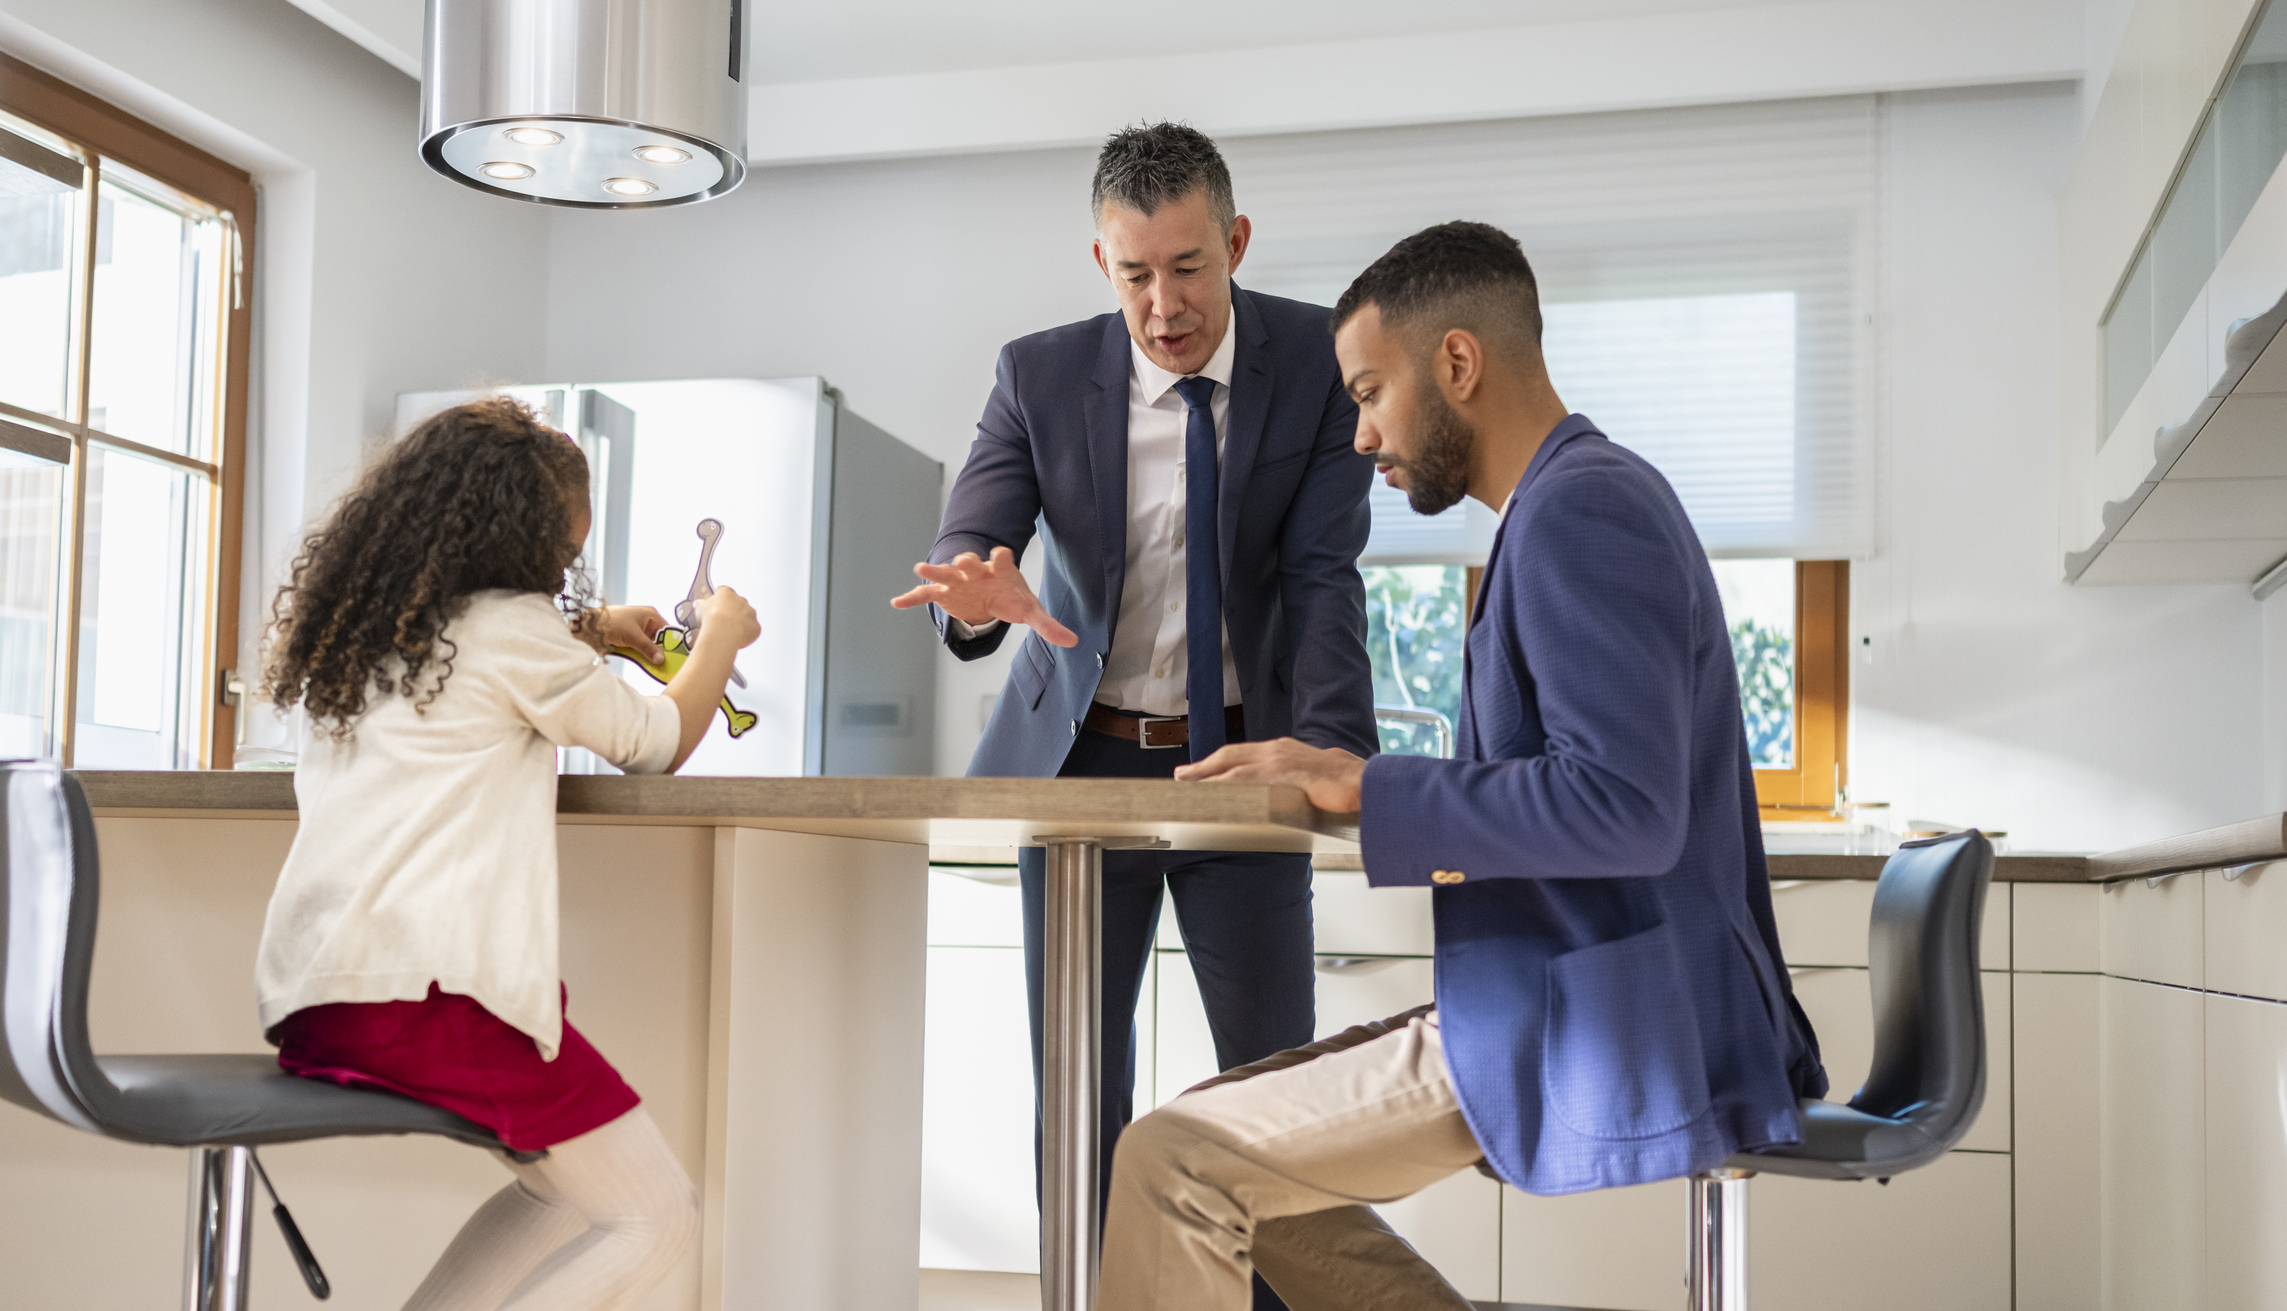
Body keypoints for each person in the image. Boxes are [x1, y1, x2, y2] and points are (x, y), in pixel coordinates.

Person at [1097, 222, 1828, 1309]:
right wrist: (1360, 788)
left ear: (1455, 363)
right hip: (1568, 992)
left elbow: (1624, 807)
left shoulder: (1581, 510)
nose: (1358, 434)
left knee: (1173, 1157)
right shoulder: (1564, 506)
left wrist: (1369, 783)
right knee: (1211, 1141)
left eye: (1369, 391)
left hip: (1607, 1012)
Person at [889, 122, 1376, 1299]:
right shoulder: (1041, 373)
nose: (1164, 305)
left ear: (1236, 242)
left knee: (1273, 1095)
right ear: (1101, 264)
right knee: (1079, 1090)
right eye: (1134, 274)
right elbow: (975, 537)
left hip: (1241, 759)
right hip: (1081, 769)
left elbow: (1322, 572)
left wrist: (1328, 750)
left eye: (1189, 268)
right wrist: (976, 594)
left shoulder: (1315, 361)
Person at [254, 397, 761, 1311]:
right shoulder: (511, 631)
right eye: (560, 560)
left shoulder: (375, 634)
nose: (562, 578)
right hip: (433, 1002)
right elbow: (655, 737)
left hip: (323, 999)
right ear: (515, 547)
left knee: (562, 1194)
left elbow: (487, 665)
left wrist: (597, 628)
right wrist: (719, 634)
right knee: (660, 1216)